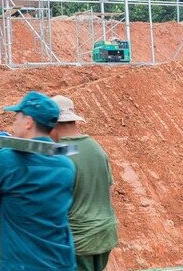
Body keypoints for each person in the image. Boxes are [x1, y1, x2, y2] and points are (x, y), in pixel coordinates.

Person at [0, 91, 76, 271]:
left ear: (28, 122)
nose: (14, 122)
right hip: (62, 263)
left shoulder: (8, 160)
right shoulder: (66, 165)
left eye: (17, 117)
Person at [50, 95, 118, 271]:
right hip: (104, 235)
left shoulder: (58, 152)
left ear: (52, 123)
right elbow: (110, 188)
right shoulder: (95, 147)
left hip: (78, 240)